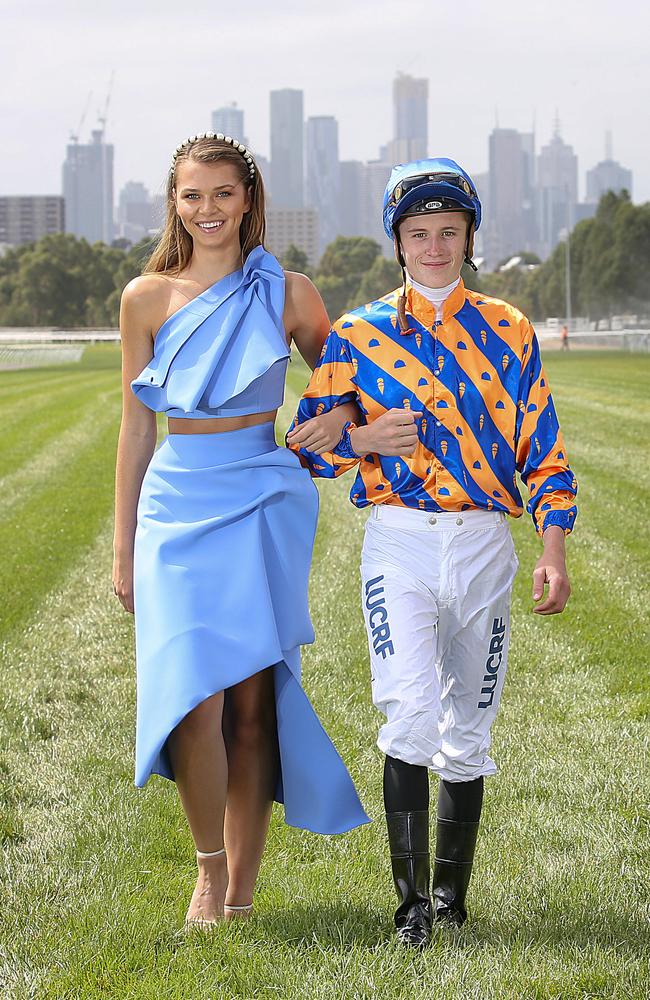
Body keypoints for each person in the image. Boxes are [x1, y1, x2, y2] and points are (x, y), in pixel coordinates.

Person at [287, 157, 577, 947]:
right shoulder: (358, 334)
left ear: (470, 235)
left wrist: (553, 548)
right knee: (409, 712)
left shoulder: (511, 328)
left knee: (470, 727)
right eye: (419, 233)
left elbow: (543, 453)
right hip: (400, 545)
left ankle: (453, 898)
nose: (435, 246)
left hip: (484, 543)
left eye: (449, 232)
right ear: (398, 242)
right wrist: (360, 436)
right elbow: (304, 448)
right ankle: (410, 907)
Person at [112, 132, 368, 928]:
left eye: (223, 193)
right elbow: (135, 431)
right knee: (193, 698)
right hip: (176, 504)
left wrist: (340, 423)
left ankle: (245, 894)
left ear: (248, 199)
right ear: (175, 203)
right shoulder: (144, 298)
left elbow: (347, 391)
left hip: (263, 497)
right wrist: (121, 547)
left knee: (253, 703)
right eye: (193, 195)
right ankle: (207, 874)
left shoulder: (291, 292)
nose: (208, 209)